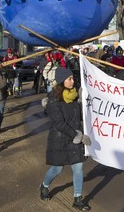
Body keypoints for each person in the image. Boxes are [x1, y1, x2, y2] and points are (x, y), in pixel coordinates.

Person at [39, 68, 91, 211]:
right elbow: (59, 123)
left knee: (78, 167)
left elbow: (80, 116)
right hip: (60, 139)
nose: (73, 81)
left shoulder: (74, 97)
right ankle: (44, 186)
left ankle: (77, 199)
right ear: (62, 81)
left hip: (75, 138)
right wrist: (77, 135)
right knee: (57, 169)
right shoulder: (53, 101)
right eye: (69, 79)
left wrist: (84, 103)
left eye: (73, 78)